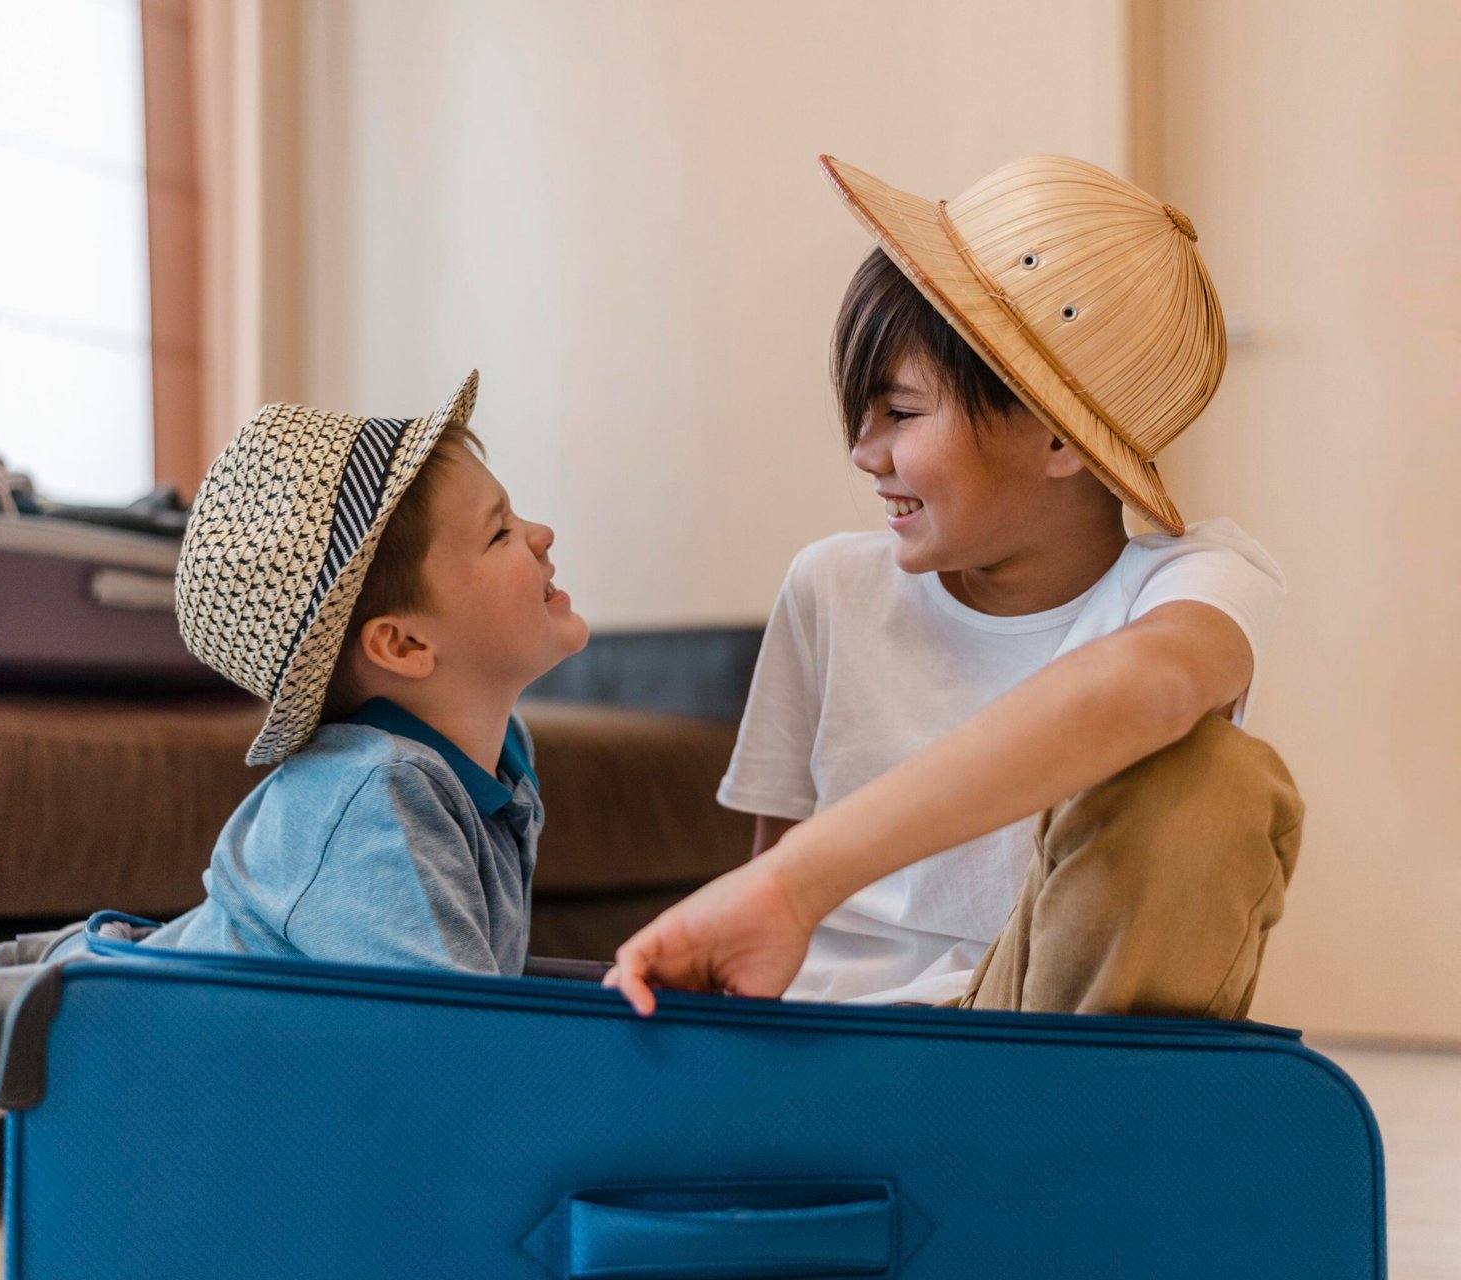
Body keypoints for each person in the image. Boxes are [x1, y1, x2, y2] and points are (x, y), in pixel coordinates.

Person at [604, 155, 1304, 1019]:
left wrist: (796, 882)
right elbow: (763, 890)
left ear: (1058, 438)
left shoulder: (1192, 583)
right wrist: (781, 900)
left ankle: (1069, 1138)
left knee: (1210, 781)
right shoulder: (832, 588)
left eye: (900, 414)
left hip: (1030, 1041)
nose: (865, 453)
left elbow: (1152, 684)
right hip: (829, 1041)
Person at [147, 371, 589, 973]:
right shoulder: (379, 796)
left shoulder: (503, 752)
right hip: (121, 1015)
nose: (541, 535)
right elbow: (454, 1044)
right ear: (404, 643)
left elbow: (489, 979)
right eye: (500, 532)